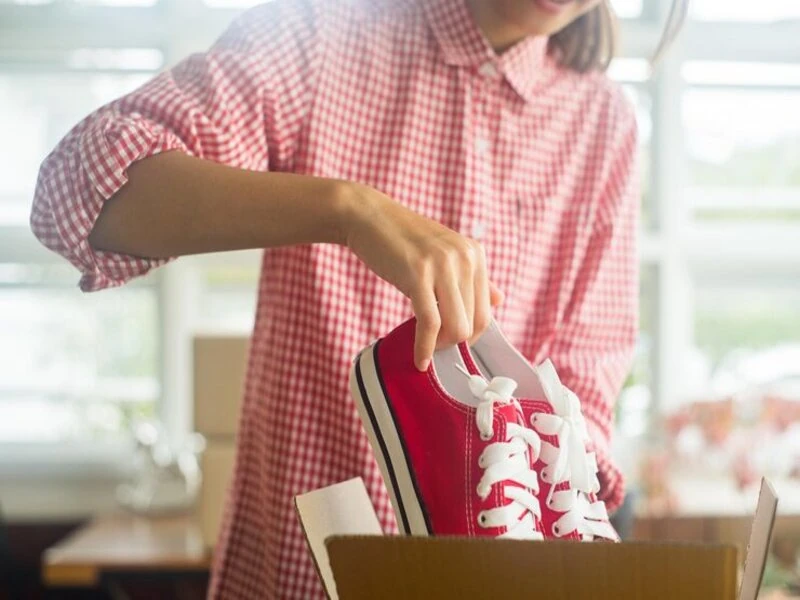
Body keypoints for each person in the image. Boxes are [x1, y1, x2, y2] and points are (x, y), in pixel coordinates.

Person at [31, 0, 687, 596]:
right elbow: (77, 194)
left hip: (504, 580)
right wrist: (347, 208)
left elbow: (585, 389)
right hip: (302, 573)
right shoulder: (323, 35)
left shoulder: (605, 123)